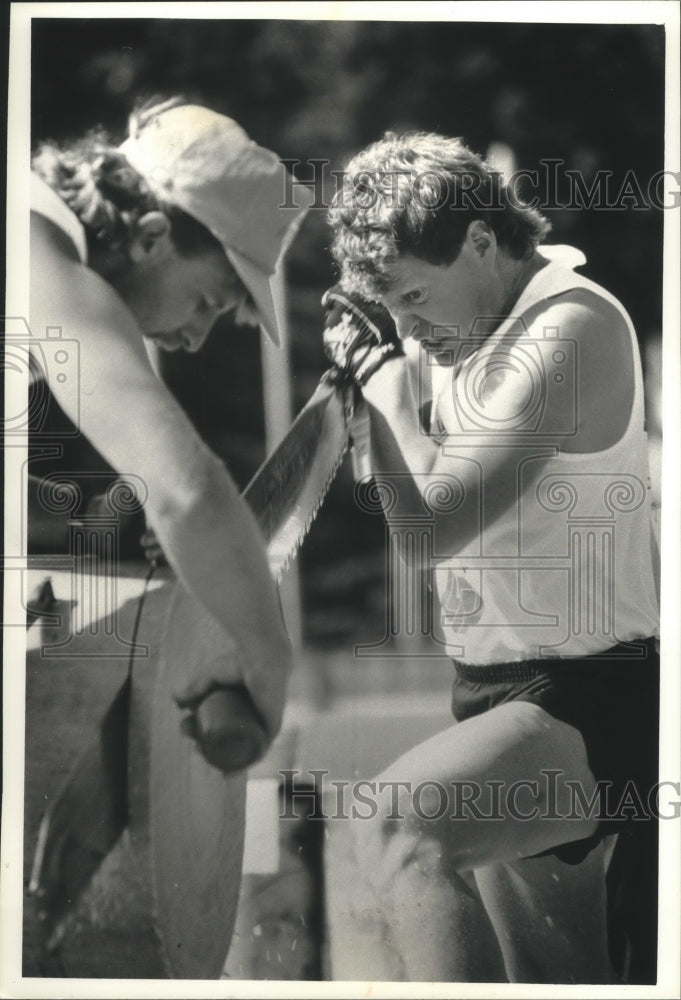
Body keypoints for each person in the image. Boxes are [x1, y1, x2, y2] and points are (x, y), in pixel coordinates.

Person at [322, 131, 660, 983]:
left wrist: (390, 402)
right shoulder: (464, 328)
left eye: (413, 298)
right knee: (560, 983)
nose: (407, 330)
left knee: (397, 822)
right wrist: (376, 410)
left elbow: (430, 530)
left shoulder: (568, 328)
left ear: (480, 242)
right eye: (391, 309)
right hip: (493, 695)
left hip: (595, 694)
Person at [29, 98, 311, 765]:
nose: (192, 338)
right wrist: (265, 655)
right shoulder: (35, 244)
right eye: (208, 302)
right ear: (152, 236)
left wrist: (98, 523)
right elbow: (186, 493)